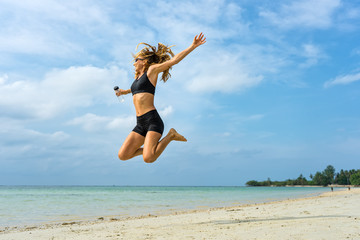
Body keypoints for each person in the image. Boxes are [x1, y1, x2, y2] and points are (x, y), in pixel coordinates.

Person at [116, 33, 206, 163]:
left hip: (152, 120)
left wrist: (193, 46)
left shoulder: (152, 71)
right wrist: (124, 92)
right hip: (140, 123)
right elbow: (138, 90)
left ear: (144, 61)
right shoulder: (137, 79)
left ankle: (170, 135)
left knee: (149, 158)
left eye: (137, 60)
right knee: (123, 155)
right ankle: (150, 148)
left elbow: (173, 61)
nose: (134, 62)